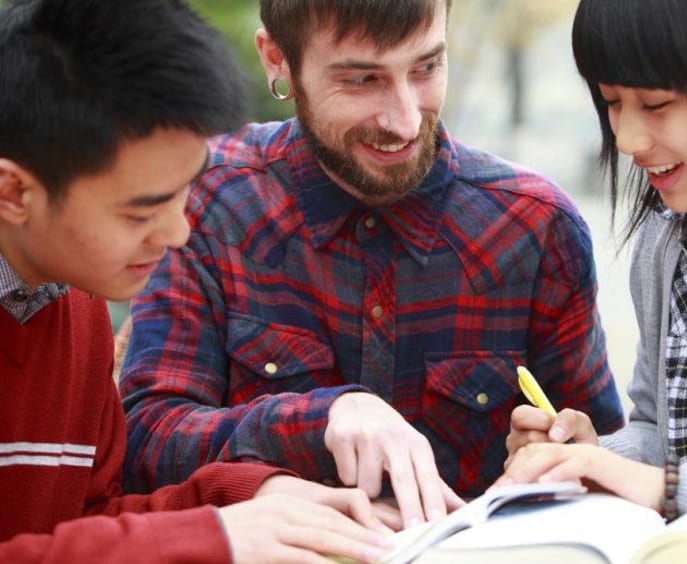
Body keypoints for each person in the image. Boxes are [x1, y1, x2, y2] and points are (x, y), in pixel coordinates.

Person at [119, 0, 624, 528]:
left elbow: (604, 457)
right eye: (362, 79)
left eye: (426, 67)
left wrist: (575, 455)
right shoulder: (203, 202)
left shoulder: (537, 229)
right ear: (278, 61)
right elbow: (144, 442)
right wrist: (320, 419)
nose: (405, 121)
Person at [0, 0, 394, 562]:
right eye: (140, 212)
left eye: (186, 191)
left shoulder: (74, 303)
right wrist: (214, 537)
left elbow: (92, 521)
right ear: (15, 193)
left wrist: (250, 497)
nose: (178, 233)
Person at [499, 0, 687, 519]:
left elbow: (665, 479)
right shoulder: (664, 246)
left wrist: (660, 486)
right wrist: (590, 459)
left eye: (657, 105)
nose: (627, 139)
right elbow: (659, 428)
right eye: (612, 103)